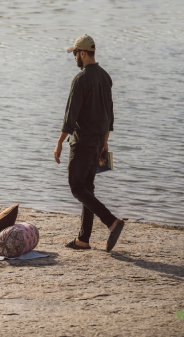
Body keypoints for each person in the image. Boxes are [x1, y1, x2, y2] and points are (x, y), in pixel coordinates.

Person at [54, 34, 124, 252]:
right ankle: (83, 239)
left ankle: (112, 222)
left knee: (77, 187)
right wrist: (105, 143)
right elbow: (109, 116)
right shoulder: (105, 77)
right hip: (97, 142)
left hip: (82, 142)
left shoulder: (81, 79)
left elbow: (70, 117)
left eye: (75, 53)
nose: (74, 57)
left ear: (83, 53)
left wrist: (59, 143)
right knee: (88, 189)